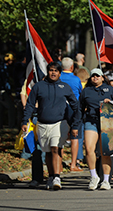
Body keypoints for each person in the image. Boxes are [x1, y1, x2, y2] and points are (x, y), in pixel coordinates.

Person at [22, 62, 80, 190]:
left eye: (56, 71)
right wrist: (25, 121)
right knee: (48, 151)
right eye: (51, 70)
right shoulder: (39, 86)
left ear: (60, 73)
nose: (53, 73)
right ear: (47, 72)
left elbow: (76, 106)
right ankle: (51, 176)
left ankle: (57, 177)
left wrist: (75, 124)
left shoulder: (64, 87)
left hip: (60, 123)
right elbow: (30, 104)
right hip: (42, 124)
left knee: (55, 148)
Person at [80, 68, 113, 190]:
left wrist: (111, 102)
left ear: (102, 78)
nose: (95, 78)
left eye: (97, 76)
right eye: (93, 76)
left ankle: (106, 180)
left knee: (105, 151)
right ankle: (94, 176)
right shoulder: (86, 91)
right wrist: (77, 123)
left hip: (107, 122)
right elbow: (80, 108)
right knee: (89, 149)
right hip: (91, 121)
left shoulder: (110, 89)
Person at [60, 57, 84, 172]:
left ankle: (58, 164)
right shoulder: (76, 79)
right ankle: (73, 164)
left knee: (60, 137)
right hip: (73, 109)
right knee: (75, 137)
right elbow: (80, 92)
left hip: (59, 109)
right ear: (71, 67)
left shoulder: (58, 77)